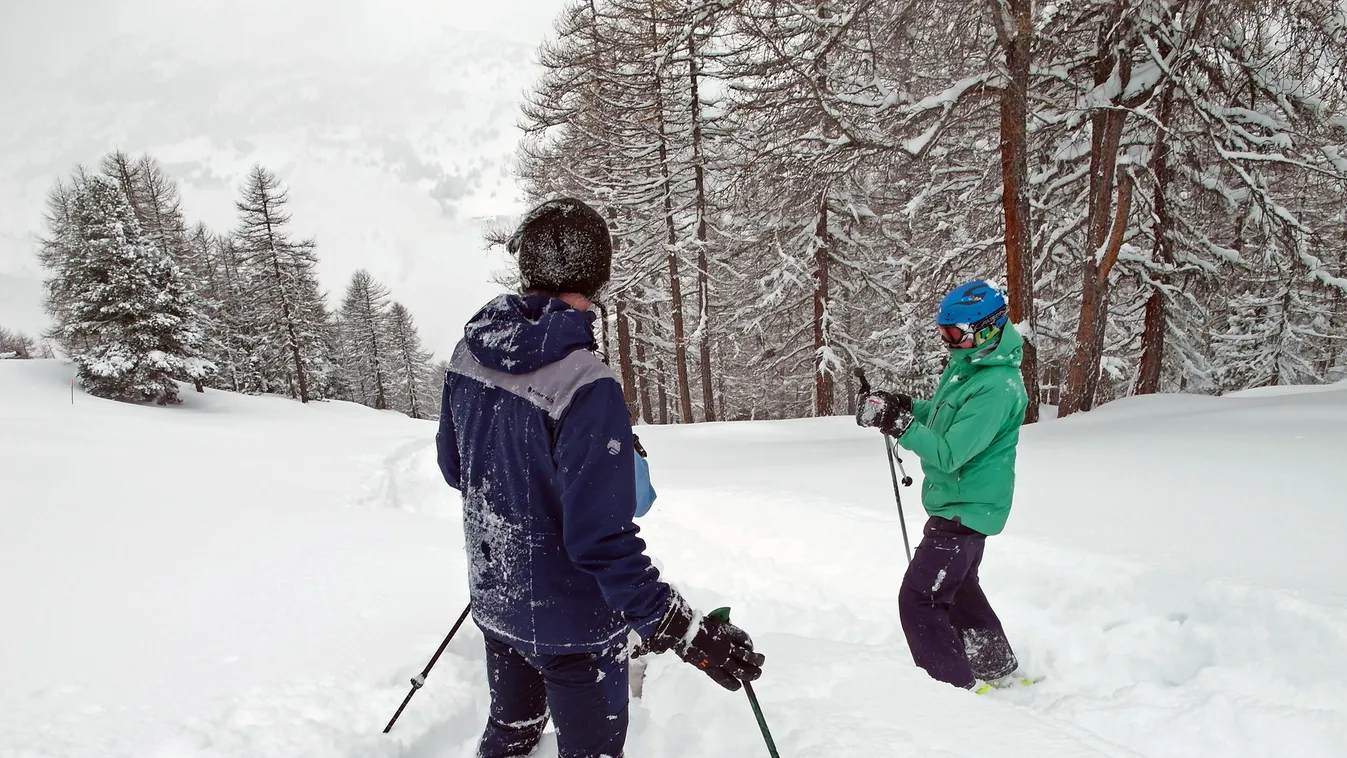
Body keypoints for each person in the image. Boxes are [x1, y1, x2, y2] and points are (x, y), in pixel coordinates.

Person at [436, 197, 764, 758]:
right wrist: (684, 630)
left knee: (511, 735)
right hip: (576, 628)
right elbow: (600, 540)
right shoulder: (587, 381)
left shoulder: (468, 353)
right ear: (597, 273)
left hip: (498, 601)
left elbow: (455, 468)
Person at [855, 280, 1028, 692]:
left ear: (985, 329)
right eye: (943, 334)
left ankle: (952, 692)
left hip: (965, 508)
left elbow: (949, 453)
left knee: (919, 600)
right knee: (959, 588)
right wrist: (906, 406)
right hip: (962, 503)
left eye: (954, 334)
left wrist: (897, 424)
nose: (948, 343)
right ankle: (995, 666)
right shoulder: (971, 366)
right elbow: (947, 415)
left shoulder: (997, 387)